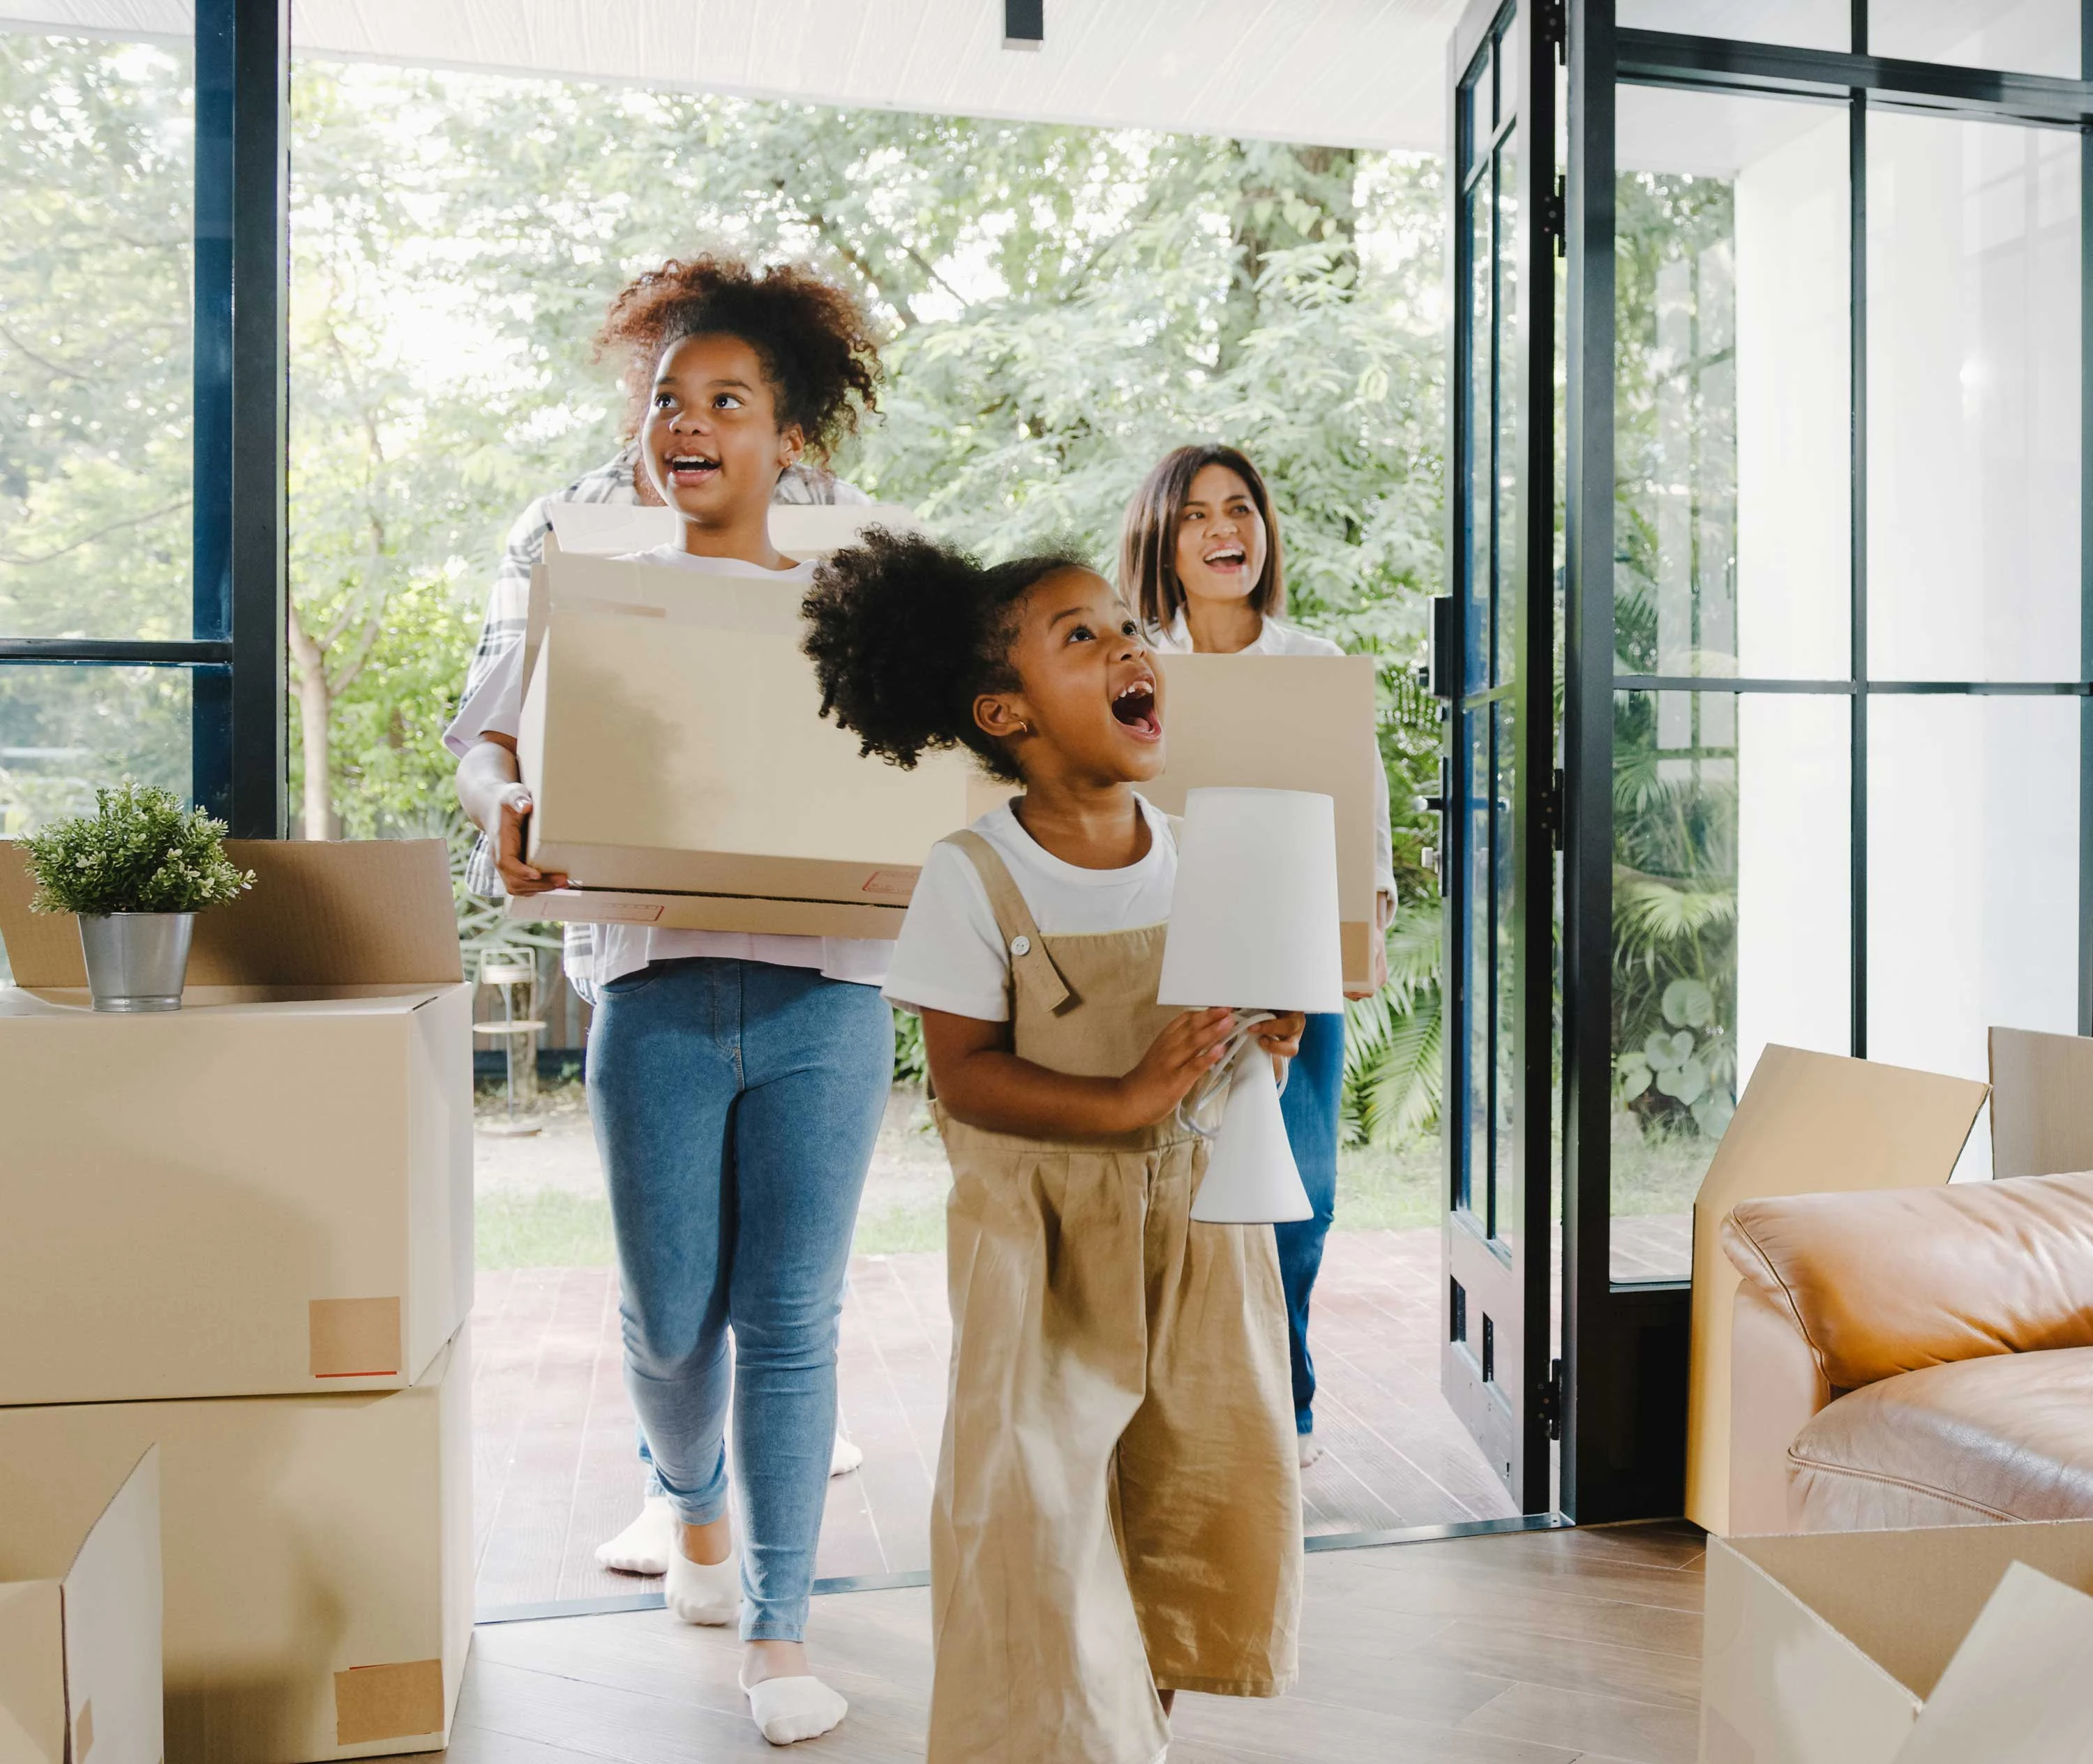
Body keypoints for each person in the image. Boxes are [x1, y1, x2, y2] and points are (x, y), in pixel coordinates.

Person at [448, 255, 891, 1747]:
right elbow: (490, 735)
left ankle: (780, 1628)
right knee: (668, 1317)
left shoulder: (858, 581)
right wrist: (504, 797)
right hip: (646, 979)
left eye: (727, 399)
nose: (688, 421)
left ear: (789, 432)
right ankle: (689, 1503)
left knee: (793, 1318)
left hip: (827, 991)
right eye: (667, 399)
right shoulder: (586, 562)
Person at [800, 530, 1304, 1763]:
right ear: (1005, 711)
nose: (1130, 645)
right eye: (1082, 635)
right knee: (1043, 1518)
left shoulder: (1202, 858)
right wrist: (1128, 1097)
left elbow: (1233, 1068)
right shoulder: (974, 876)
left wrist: (1267, 1037)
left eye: (1130, 628)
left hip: (1196, 1243)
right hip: (1043, 1253)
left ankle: (1146, 1738)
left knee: (1185, 1506)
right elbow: (967, 1082)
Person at [1120, 443, 1398, 1471]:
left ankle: (1290, 1405)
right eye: (1196, 515)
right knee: (1176, 1194)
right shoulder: (1129, 663)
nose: (1224, 529)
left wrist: (1344, 957)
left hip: (1292, 970)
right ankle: (1180, 1407)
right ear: (1162, 536)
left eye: (1240, 509)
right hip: (1162, 967)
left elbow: (1359, 832)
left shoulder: (1314, 667)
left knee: (1298, 1201)